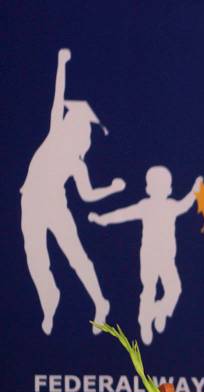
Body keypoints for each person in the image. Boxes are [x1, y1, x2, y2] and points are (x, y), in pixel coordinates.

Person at [20, 48, 125, 335]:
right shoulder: (55, 135)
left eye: (85, 133)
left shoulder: (77, 164)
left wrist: (111, 189)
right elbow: (58, 96)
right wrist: (61, 63)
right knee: (35, 255)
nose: (83, 135)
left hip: (55, 206)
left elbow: (87, 195)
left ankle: (100, 302)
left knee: (76, 256)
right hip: (30, 203)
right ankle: (50, 296)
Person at [88, 168, 202, 345]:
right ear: (149, 189)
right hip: (149, 257)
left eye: (163, 186)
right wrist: (102, 219)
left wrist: (196, 189)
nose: (160, 190)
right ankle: (145, 322)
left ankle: (160, 311)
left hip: (167, 259)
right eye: (156, 186)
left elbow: (185, 204)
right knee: (149, 290)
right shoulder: (145, 206)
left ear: (169, 189)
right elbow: (123, 214)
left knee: (174, 290)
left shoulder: (171, 206)